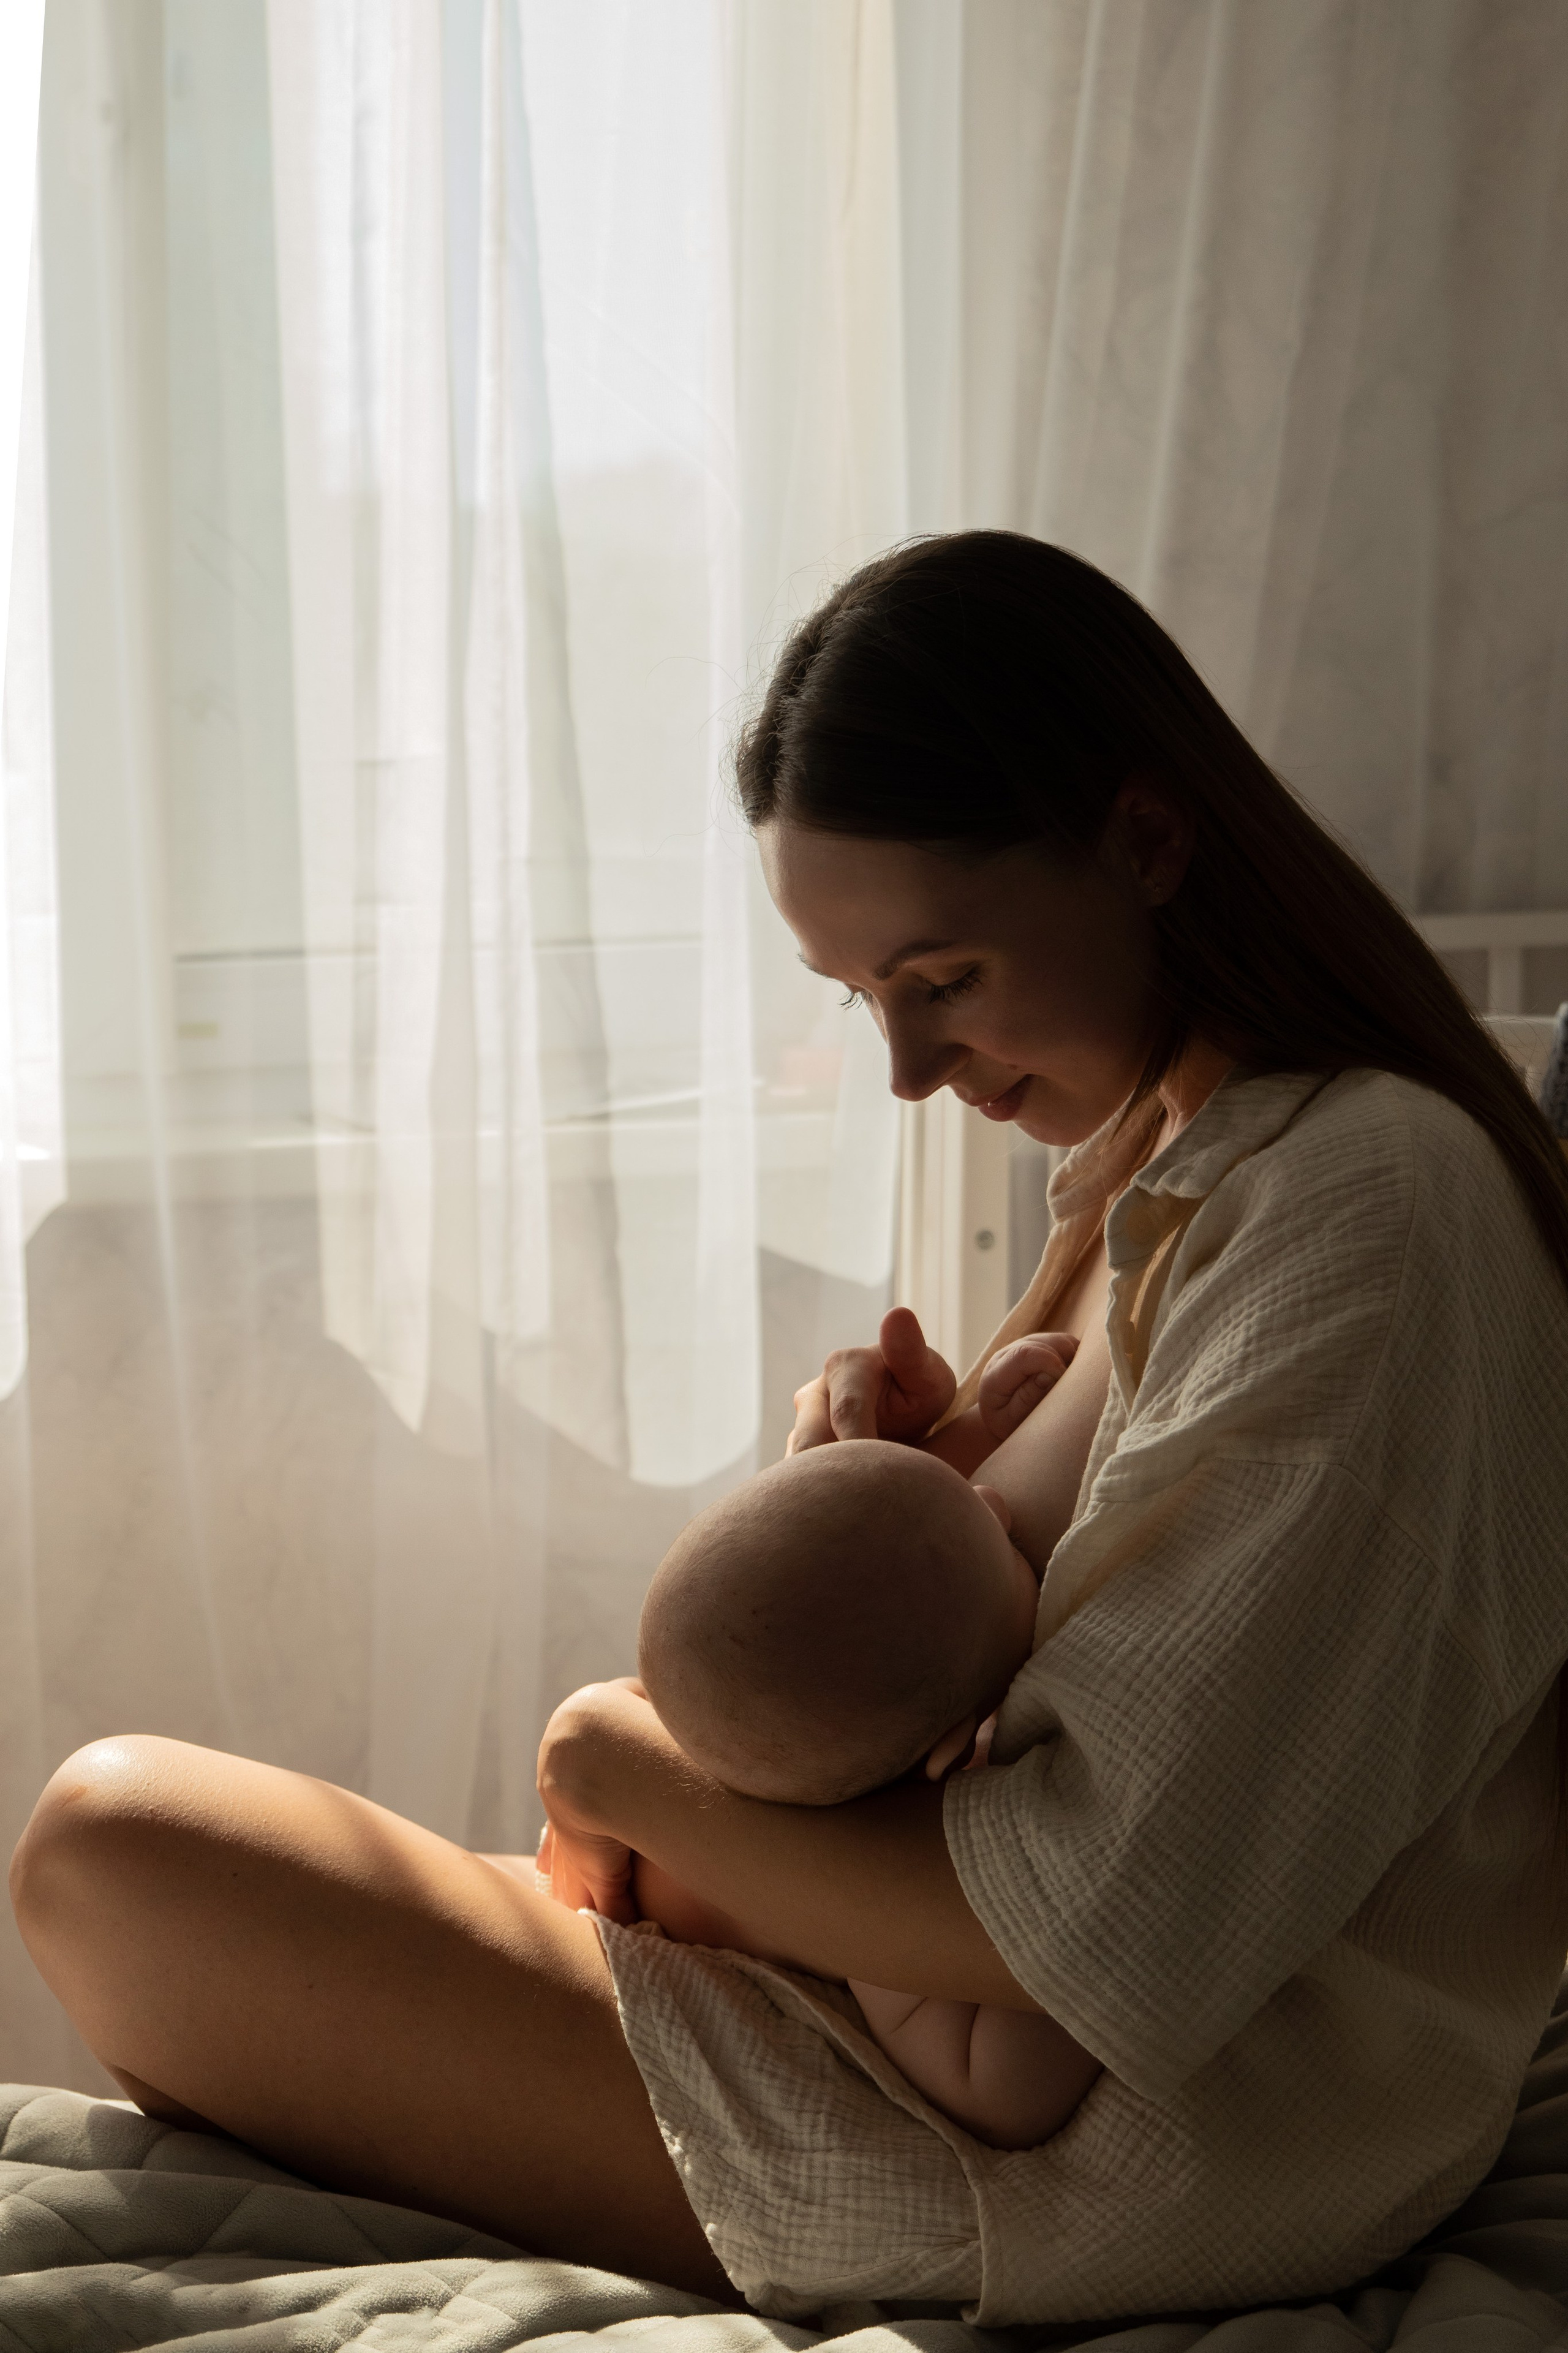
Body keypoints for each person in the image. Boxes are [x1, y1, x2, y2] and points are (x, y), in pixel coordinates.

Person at [11, 532, 1568, 2328]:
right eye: (861, 1001)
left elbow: (1087, 1926)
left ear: (1145, 839)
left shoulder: (1360, 1211)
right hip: (913, 2026)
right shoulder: (1168, 1165)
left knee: (114, 1849)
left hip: (1077, 2164)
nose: (907, 1070)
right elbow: (1024, 1667)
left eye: (942, 976)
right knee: (131, 1856)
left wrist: (608, 1755)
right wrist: (900, 1480)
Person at [624, 1427, 1099, 2151]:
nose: (998, 1501)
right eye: (1002, 1547)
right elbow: (999, 2094)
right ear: (948, 1750)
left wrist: (993, 1421)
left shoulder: (840, 1726)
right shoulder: (868, 1891)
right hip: (652, 1960)